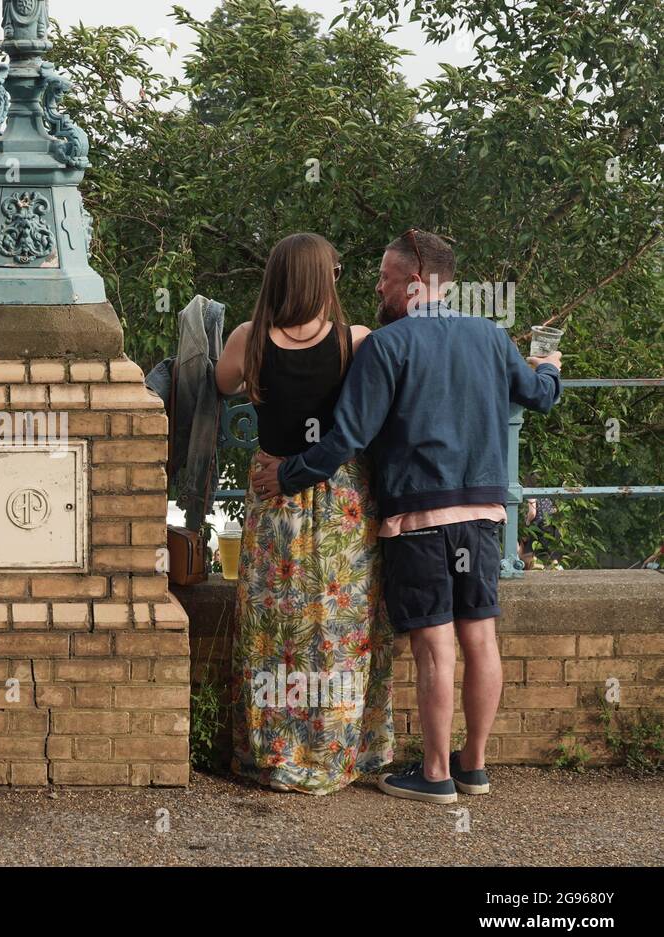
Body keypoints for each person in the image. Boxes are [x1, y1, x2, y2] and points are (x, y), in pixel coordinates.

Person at [254, 229, 562, 803]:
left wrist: (286, 475)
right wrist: (548, 366)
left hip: (419, 517)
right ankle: (475, 767)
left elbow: (345, 437)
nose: (378, 287)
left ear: (415, 284)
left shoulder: (386, 346)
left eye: (386, 279)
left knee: (434, 647)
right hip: (485, 513)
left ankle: (436, 773)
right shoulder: (491, 337)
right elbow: (539, 396)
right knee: (481, 639)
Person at [215, 233, 394, 794]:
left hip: (275, 495)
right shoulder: (357, 341)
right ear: (326, 278)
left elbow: (219, 384)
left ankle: (275, 753)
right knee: (340, 629)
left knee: (275, 629)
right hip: (340, 498)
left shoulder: (249, 340)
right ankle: (342, 753)